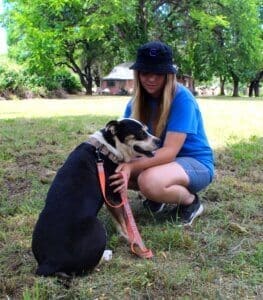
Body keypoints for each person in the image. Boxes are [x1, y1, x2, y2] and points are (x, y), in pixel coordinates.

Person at [110, 41, 214, 226]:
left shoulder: (182, 98)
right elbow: (121, 140)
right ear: (137, 73)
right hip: (163, 163)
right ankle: (157, 199)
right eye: (145, 72)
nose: (151, 78)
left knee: (148, 181)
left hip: (194, 163)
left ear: (169, 74)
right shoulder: (136, 101)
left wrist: (131, 167)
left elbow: (169, 152)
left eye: (158, 73)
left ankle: (190, 202)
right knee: (114, 168)